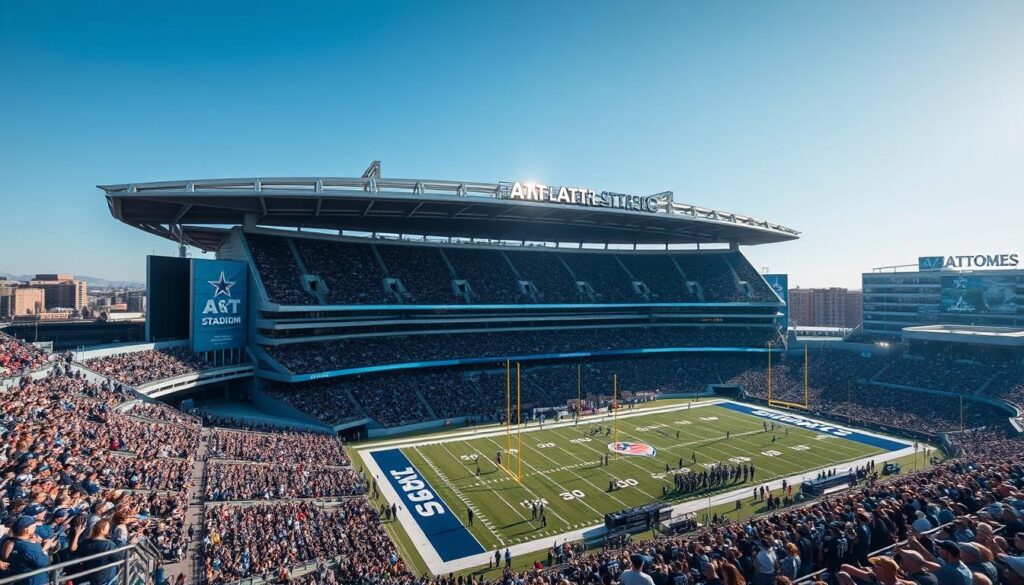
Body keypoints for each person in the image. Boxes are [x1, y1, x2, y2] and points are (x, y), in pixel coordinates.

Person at [1, 516, 54, 585]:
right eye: (33, 527)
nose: (35, 528)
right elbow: (42, 563)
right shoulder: (30, 547)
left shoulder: (6, 540)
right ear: (26, 530)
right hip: (33, 581)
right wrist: (45, 549)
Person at [71, 519, 125, 585]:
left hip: (90, 578)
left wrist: (77, 534)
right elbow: (120, 558)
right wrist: (122, 542)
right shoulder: (109, 545)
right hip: (106, 579)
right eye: (108, 528)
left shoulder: (85, 543)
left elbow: (74, 551)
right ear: (103, 530)